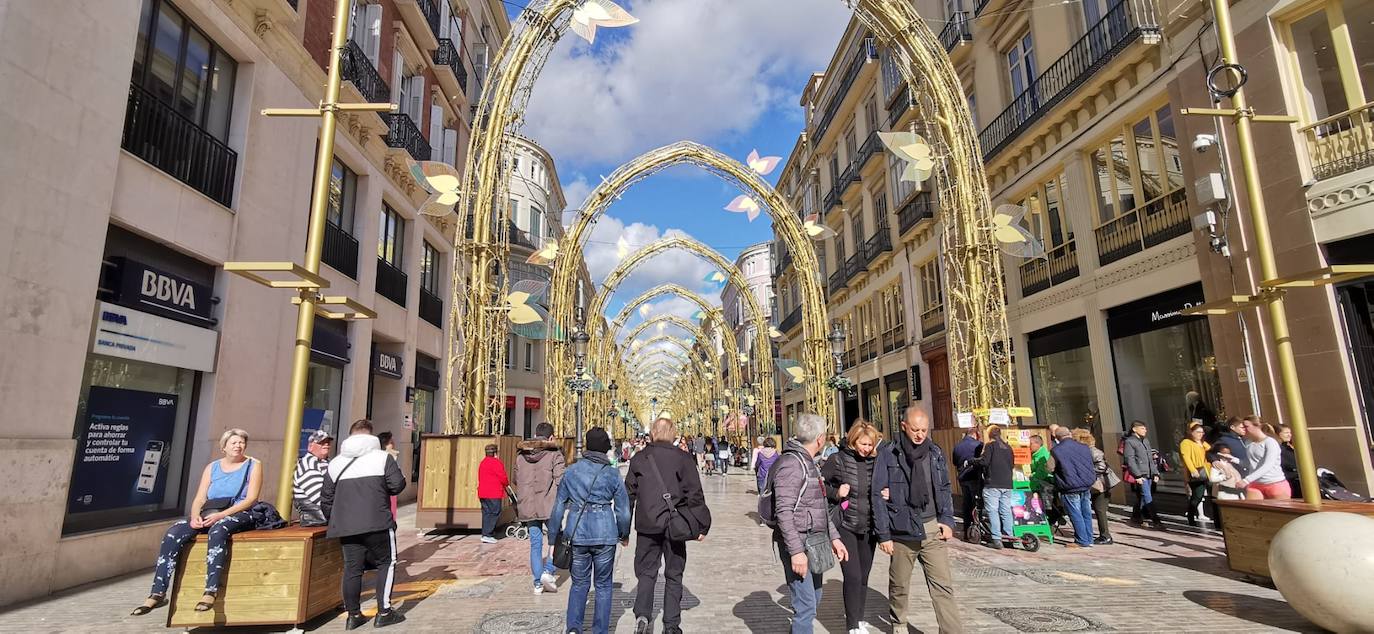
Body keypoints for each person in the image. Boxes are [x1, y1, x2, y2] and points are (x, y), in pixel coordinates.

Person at [132, 429, 264, 616]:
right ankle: (158, 592)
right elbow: (200, 498)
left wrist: (222, 515)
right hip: (209, 511)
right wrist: (195, 516)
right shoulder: (212, 467)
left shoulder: (253, 465)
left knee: (218, 531)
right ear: (223, 446)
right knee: (173, 533)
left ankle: (211, 589)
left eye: (241, 442)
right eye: (233, 442)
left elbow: (251, 499)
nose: (238, 446)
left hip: (239, 512)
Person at [872, 407, 962, 633]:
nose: (920, 434)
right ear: (904, 426)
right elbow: (877, 493)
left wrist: (948, 520)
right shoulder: (888, 453)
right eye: (915, 430)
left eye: (924, 430)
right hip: (902, 530)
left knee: (943, 586)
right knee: (900, 584)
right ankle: (899, 624)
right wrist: (883, 535)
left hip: (933, 527)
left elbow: (943, 487)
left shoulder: (935, 452)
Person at [625, 418, 711, 634]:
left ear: (653, 433)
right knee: (674, 574)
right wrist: (702, 526)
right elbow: (695, 494)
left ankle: (643, 616)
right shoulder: (683, 458)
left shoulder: (639, 458)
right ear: (673, 433)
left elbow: (628, 496)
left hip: (647, 526)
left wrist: (623, 530)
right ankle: (671, 625)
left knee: (646, 572)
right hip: (676, 527)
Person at [322, 419, 407, 629]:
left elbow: (326, 499)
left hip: (346, 526)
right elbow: (397, 485)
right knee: (386, 563)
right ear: (371, 436)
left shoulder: (335, 462)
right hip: (378, 521)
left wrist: (337, 520)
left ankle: (353, 615)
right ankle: (384, 611)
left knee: (352, 568)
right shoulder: (382, 458)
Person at [772, 413, 849, 634]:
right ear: (820, 438)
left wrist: (834, 537)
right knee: (805, 606)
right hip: (800, 543)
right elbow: (784, 512)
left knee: (813, 599)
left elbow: (821, 506)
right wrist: (796, 552)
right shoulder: (792, 465)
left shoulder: (809, 463)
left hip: (816, 542)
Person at [550, 427, 631, 634]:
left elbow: (559, 505)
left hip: (577, 534)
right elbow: (623, 509)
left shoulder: (571, 471)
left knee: (579, 583)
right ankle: (600, 630)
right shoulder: (612, 474)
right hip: (605, 534)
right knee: (603, 585)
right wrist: (624, 534)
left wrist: (553, 536)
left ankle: (574, 628)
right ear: (604, 448)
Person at [821, 421, 882, 634]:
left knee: (864, 576)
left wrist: (887, 493)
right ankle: (852, 625)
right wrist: (836, 493)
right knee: (853, 575)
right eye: (863, 444)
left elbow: (885, 483)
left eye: (870, 445)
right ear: (853, 441)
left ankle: (859, 617)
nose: (867, 448)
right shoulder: (837, 460)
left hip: (869, 526)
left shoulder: (877, 461)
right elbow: (820, 484)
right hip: (846, 525)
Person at [515, 422, 566, 594]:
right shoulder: (554, 454)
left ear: (535, 435)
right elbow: (561, 479)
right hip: (550, 505)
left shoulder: (521, 455)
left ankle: (537, 583)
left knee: (535, 543)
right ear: (551, 437)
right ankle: (548, 570)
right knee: (556, 537)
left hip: (528, 505)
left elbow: (516, 479)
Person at [1049, 427, 1096, 548]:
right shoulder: (1084, 447)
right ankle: (1089, 538)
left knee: (1075, 513)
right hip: (1086, 484)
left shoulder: (1056, 450)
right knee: (1086, 512)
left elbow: (1049, 467)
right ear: (1069, 434)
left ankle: (1082, 540)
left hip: (1069, 486)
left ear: (1056, 437)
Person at [1073, 429, 1117, 545]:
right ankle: (1103, 534)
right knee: (1098, 510)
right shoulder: (1087, 451)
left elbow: (1102, 467)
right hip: (1096, 484)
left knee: (1100, 510)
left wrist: (1086, 471)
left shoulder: (1093, 451)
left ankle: (1106, 536)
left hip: (1101, 484)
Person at [975, 424, 1015, 548]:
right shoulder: (1008, 447)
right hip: (1007, 483)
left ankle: (996, 539)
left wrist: (973, 461)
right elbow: (1012, 464)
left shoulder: (990, 446)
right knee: (1006, 511)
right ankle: (1008, 537)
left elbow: (985, 462)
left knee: (993, 511)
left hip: (993, 484)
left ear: (990, 435)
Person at [1240, 417, 1291, 500]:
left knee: (1279, 512)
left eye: (1246, 426)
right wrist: (1233, 460)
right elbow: (1251, 463)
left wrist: (1246, 480)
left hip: (1274, 483)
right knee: (1253, 511)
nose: (1244, 429)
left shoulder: (1270, 442)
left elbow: (1268, 465)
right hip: (1255, 484)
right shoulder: (1248, 443)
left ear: (1258, 426)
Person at [1123, 420, 1162, 529]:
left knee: (1143, 496)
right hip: (1141, 474)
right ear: (1134, 429)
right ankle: (1156, 520)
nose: (1145, 430)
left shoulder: (1145, 441)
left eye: (1145, 428)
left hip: (1149, 472)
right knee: (1147, 496)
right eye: (1142, 428)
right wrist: (1137, 475)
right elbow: (1129, 460)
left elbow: (1150, 459)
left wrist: (1155, 472)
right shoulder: (1130, 442)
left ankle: (1136, 516)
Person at [293, 428, 333, 526]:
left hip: (329, 515)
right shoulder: (308, 464)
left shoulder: (327, 462)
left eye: (328, 442)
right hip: (318, 518)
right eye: (321, 443)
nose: (326, 445)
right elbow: (319, 498)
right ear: (310, 446)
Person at [950, 426, 982, 541]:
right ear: (974, 435)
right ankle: (976, 529)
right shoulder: (978, 445)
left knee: (966, 503)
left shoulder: (957, 446)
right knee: (976, 504)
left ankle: (967, 529)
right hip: (974, 477)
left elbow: (954, 462)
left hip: (962, 477)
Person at [1179, 423, 1212, 527]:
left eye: (1202, 432)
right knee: (1197, 495)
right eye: (1198, 432)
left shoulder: (1202, 442)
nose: (1200, 434)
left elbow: (1210, 450)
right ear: (1191, 432)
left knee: (1212, 494)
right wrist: (1193, 470)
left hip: (1207, 471)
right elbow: (1186, 457)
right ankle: (1191, 515)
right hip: (1196, 472)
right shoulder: (1186, 442)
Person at [478, 443, 510, 544]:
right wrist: (506, 484)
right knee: (495, 512)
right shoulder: (496, 463)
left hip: (483, 492)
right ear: (495, 453)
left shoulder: (483, 463)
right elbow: (502, 476)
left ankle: (485, 533)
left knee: (486, 512)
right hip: (493, 492)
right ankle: (488, 533)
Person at [1028, 434, 1059, 527]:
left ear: (1037, 444)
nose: (1028, 446)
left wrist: (1030, 476)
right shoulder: (1033, 454)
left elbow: (1042, 472)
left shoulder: (1043, 455)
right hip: (1036, 484)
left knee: (1046, 505)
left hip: (1045, 485)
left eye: (1030, 443)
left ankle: (1051, 520)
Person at [376, 431, 400, 519]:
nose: (394, 444)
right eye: (391, 443)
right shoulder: (383, 459)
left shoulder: (392, 458)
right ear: (385, 445)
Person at [1278, 425, 1300, 495]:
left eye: (1290, 433)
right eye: (1286, 433)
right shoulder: (1279, 449)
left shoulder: (1289, 447)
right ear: (1278, 434)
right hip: (1289, 481)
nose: (1289, 435)